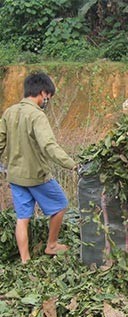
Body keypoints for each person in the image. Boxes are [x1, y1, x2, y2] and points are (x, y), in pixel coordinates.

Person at [0, 72, 77, 264]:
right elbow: (48, 146)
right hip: (37, 175)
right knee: (60, 205)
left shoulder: (9, 112)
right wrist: (72, 164)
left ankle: (25, 260)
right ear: (43, 93)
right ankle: (51, 245)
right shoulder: (37, 116)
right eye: (48, 96)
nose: (47, 101)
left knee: (22, 218)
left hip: (15, 175)